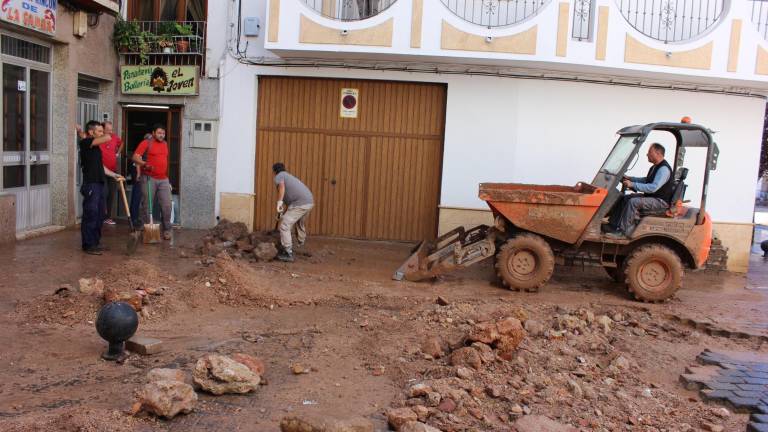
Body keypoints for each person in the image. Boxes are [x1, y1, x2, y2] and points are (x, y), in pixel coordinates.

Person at [605, 143, 674, 239]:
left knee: (633, 202)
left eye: (650, 152)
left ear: (658, 153)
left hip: (660, 201)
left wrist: (633, 184)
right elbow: (646, 180)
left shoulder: (663, 169)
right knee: (626, 198)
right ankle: (612, 225)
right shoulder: (655, 167)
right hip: (652, 197)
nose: (647, 154)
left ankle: (622, 232)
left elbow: (653, 187)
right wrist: (630, 178)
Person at [77, 121, 124, 255]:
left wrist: (114, 174)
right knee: (90, 214)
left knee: (99, 215)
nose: (102, 134)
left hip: (99, 183)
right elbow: (108, 137)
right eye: (99, 131)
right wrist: (108, 132)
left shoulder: (96, 148)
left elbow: (101, 167)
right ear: (91, 132)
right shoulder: (86, 143)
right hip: (91, 185)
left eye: (102, 131)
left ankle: (95, 242)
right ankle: (88, 245)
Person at [132, 125, 173, 240]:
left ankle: (167, 229)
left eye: (163, 133)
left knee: (167, 205)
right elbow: (135, 157)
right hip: (149, 178)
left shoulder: (165, 144)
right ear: (153, 132)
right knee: (147, 205)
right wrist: (145, 164)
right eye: (159, 133)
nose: (161, 135)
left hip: (163, 179)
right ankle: (146, 228)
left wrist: (168, 180)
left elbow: (164, 161)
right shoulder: (146, 143)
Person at [273, 162, 314, 262]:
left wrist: (279, 202)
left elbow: (281, 187)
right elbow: (289, 205)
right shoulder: (288, 176)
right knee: (298, 221)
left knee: (284, 225)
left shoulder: (279, 176)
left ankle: (288, 252)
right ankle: (301, 242)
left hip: (299, 203)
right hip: (308, 202)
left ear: (274, 171)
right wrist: (281, 213)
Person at [127, 133, 152, 229]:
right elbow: (137, 161)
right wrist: (138, 174)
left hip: (144, 175)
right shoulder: (144, 147)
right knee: (137, 196)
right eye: (150, 139)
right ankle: (134, 219)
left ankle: (136, 218)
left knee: (139, 196)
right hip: (139, 174)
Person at [100, 121, 123, 225]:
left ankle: (108, 217)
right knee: (104, 193)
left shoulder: (113, 137)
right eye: (108, 129)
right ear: (103, 129)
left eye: (111, 129)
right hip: (101, 171)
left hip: (113, 171)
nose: (111, 131)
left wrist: (118, 153)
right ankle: (101, 216)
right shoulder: (98, 139)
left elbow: (122, 143)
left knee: (111, 194)